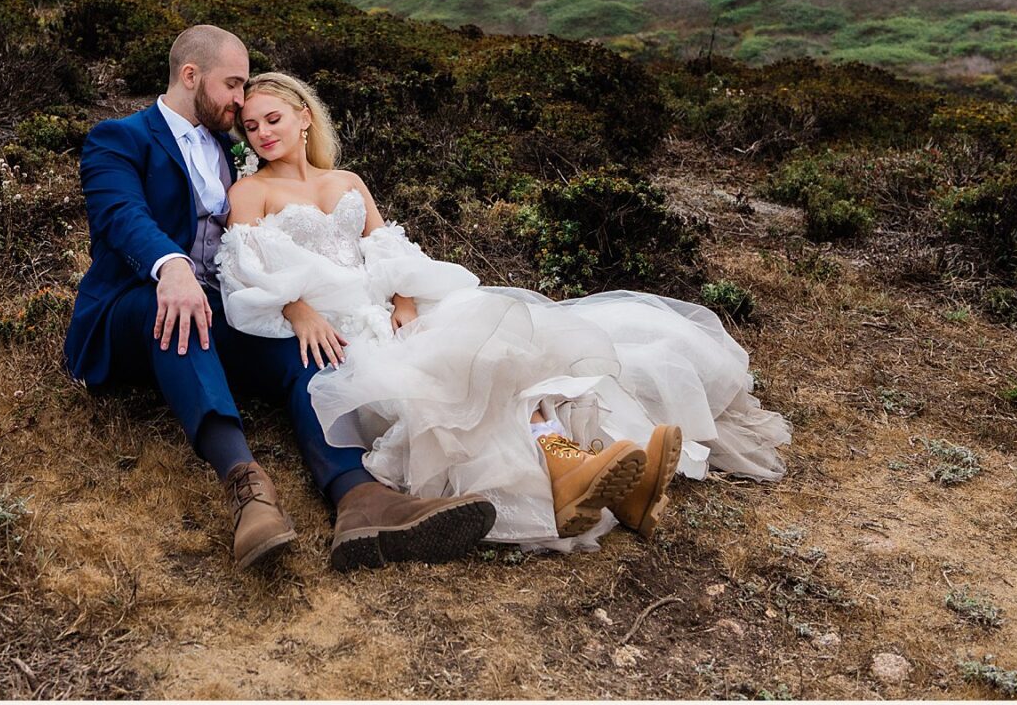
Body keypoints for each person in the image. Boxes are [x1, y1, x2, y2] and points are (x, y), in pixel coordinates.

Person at [219, 71, 791, 551]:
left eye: (273, 119)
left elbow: (391, 250)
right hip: (342, 333)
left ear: (303, 117)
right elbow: (248, 270)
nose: (263, 133)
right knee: (456, 381)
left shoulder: (346, 181)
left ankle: (583, 472)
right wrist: (298, 311)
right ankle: (573, 469)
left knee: (499, 345)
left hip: (394, 313)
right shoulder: (250, 192)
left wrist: (406, 301)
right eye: (251, 126)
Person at [62, 25, 498, 572]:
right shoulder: (119, 137)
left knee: (304, 345)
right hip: (133, 309)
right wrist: (169, 266)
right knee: (177, 307)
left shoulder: (227, 146)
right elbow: (120, 215)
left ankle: (357, 497)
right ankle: (246, 488)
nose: (242, 101)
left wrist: (297, 306)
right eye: (234, 85)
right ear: (191, 75)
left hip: (221, 303)